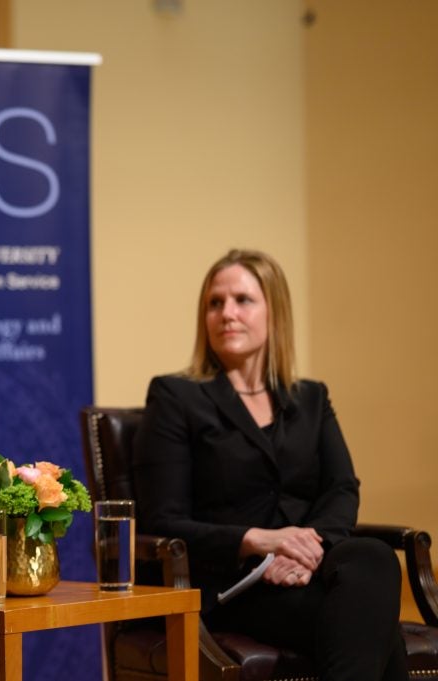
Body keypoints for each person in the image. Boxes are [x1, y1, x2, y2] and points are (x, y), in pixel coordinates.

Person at [133, 249, 406, 681]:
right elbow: (162, 518)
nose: (227, 313)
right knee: (371, 620)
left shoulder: (310, 398)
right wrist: (259, 540)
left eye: (242, 300)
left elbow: (341, 488)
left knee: (373, 558)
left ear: (274, 312)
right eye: (214, 303)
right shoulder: (175, 397)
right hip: (233, 584)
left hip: (306, 572)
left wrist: (306, 550)